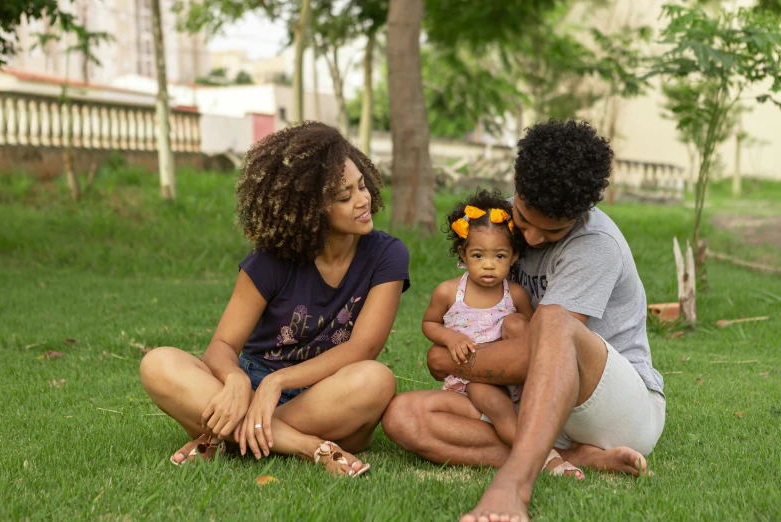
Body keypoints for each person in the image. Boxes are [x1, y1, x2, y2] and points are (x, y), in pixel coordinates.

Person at [382, 120, 665, 521]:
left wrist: (449, 361)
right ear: (516, 181)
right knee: (403, 418)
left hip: (613, 408)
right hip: (529, 406)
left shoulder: (595, 245)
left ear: (579, 215)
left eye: (551, 232)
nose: (529, 240)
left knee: (554, 320)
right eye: (526, 220)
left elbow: (538, 353)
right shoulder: (501, 231)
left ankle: (514, 484)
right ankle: (565, 456)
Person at [141, 121, 410, 477]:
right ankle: (305, 445)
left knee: (377, 380)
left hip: (324, 393)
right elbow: (222, 344)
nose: (363, 200)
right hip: (251, 383)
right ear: (310, 209)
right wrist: (237, 381)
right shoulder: (270, 260)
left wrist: (278, 383)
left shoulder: (387, 255)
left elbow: (361, 349)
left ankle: (226, 437)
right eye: (345, 197)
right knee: (158, 363)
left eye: (361, 186)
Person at [423, 188, 583, 479]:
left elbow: (540, 336)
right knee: (499, 409)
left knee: (518, 324)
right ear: (462, 253)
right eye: (478, 255)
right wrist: (450, 338)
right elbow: (430, 324)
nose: (488, 264)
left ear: (514, 256)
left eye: (499, 255)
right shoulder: (449, 292)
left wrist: (517, 329)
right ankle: (546, 456)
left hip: (512, 375)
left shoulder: (516, 295)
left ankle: (534, 417)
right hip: (475, 379)